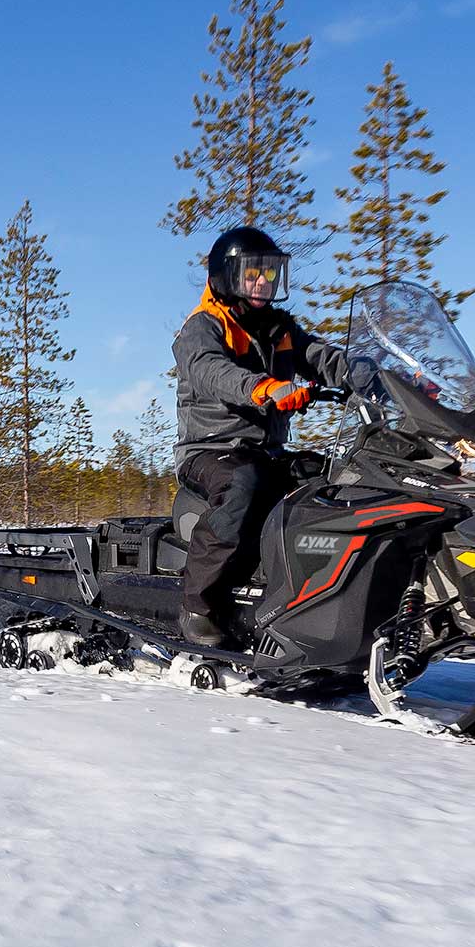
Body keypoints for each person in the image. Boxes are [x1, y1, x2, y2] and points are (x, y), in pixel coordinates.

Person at [171, 226, 357, 645]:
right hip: (210, 451)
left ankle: (312, 600)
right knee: (244, 484)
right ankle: (197, 605)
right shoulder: (202, 328)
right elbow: (211, 372)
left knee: (333, 477)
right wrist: (266, 389)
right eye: (252, 274)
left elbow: (319, 357)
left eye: (270, 274)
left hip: (266, 450)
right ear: (226, 276)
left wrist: (372, 374)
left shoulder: (279, 327)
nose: (263, 283)